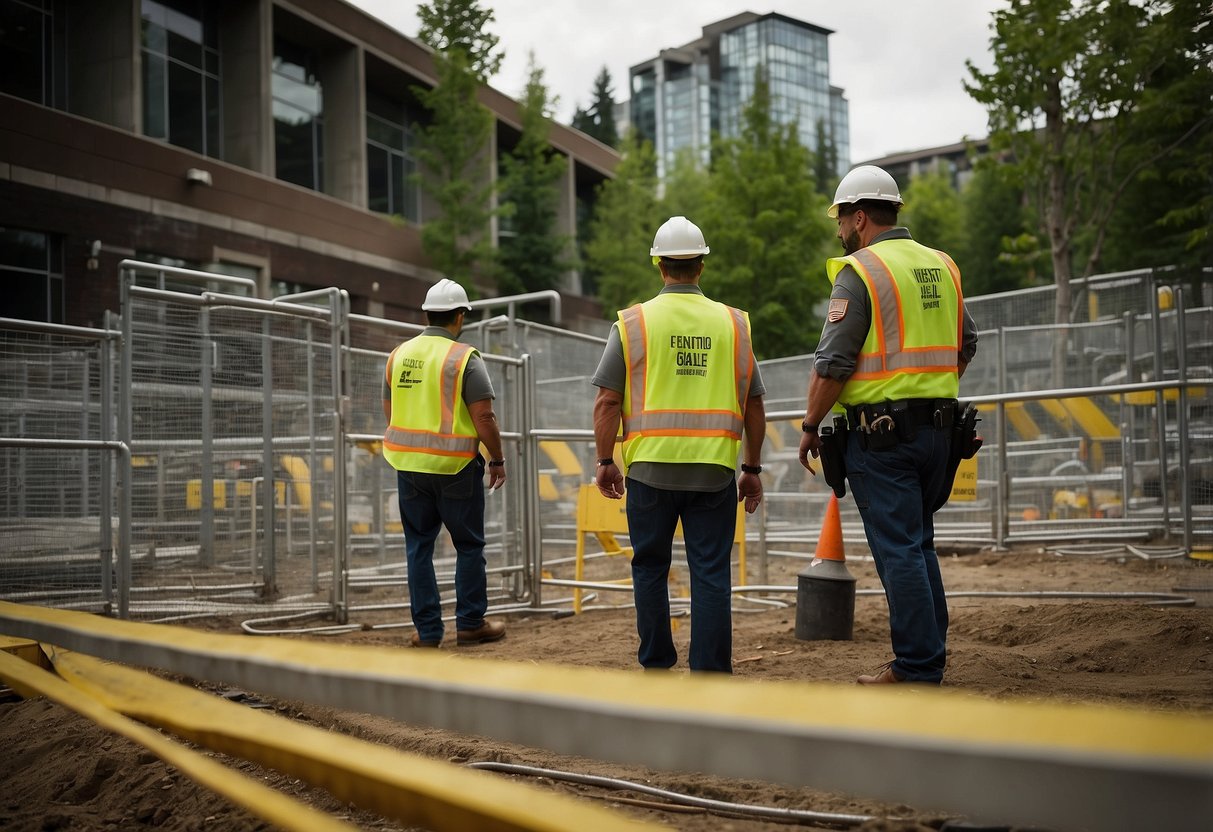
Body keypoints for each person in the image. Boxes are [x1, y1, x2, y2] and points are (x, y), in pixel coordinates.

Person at [798, 165, 978, 685]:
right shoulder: (943, 265)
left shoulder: (861, 272)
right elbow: (965, 343)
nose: (839, 232)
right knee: (918, 542)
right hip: (940, 433)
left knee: (900, 548)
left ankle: (918, 667)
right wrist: (929, 391)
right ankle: (929, 656)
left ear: (859, 217)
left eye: (841, 221)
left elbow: (833, 365)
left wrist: (811, 425)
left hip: (884, 438)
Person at [592, 216, 766, 673]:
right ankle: (709, 671)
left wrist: (605, 460)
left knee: (649, 567)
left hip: (649, 469)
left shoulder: (632, 324)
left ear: (658, 264)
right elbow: (753, 406)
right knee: (710, 572)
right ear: (702, 266)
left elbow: (608, 401)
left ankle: (656, 662)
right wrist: (751, 469)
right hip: (714, 471)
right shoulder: (734, 324)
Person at [382, 278, 507, 648]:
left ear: (425, 314)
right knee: (468, 545)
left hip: (408, 467)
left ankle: (427, 632)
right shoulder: (463, 358)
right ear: (460, 317)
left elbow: (390, 412)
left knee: (418, 548)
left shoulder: (398, 355)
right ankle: (470, 624)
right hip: (454, 468)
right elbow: (484, 417)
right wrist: (497, 459)